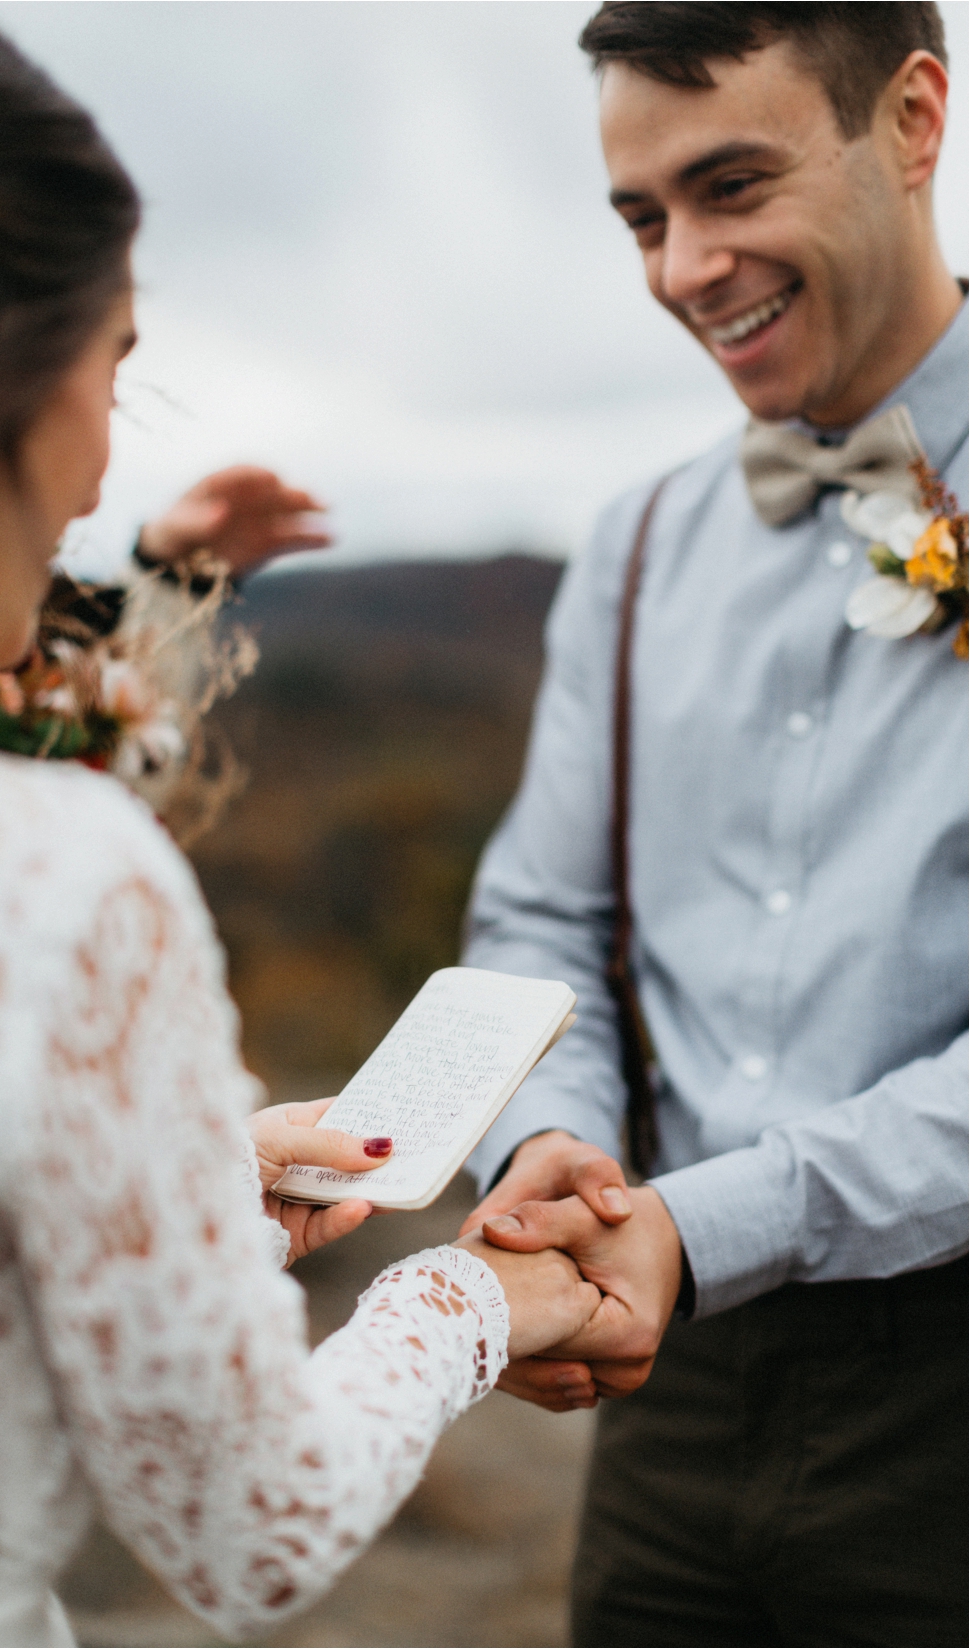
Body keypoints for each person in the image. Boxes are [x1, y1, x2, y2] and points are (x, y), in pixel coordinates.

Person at [0, 6, 612, 1645]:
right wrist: (468, 1297)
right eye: (111, 369)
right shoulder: (45, 888)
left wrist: (182, 1176)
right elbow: (245, 1530)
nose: (95, 474)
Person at [459, 4, 968, 1645]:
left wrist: (712, 1220)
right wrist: (557, 1147)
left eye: (732, 185)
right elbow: (538, 918)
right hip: (663, 1396)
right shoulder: (634, 549)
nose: (685, 267)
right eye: (640, 218)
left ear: (911, 120)